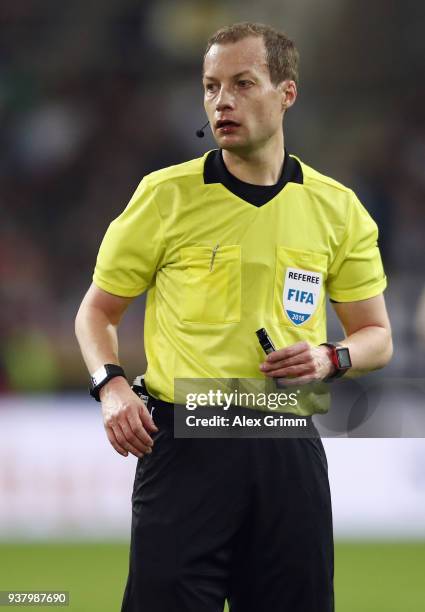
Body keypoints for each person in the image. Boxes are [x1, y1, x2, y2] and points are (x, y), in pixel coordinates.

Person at [75, 22, 393, 612]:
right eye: (211, 86)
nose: (223, 100)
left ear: (286, 93)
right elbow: (97, 312)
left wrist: (331, 357)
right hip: (184, 442)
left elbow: (376, 337)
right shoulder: (164, 197)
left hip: (286, 439)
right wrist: (111, 384)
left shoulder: (337, 208)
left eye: (243, 83)